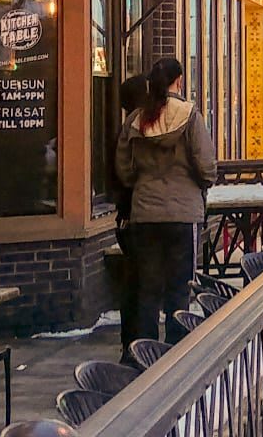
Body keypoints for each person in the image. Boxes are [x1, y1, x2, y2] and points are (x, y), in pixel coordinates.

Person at [114, 58, 216, 344]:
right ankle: (176, 348)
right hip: (183, 213)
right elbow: (206, 165)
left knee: (147, 288)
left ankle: (145, 351)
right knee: (179, 288)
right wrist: (200, 183)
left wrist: (142, 185)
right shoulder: (189, 115)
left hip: (145, 213)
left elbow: (124, 168)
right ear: (179, 81)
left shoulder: (136, 119)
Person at [109, 74, 151, 353]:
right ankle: (140, 346)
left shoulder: (121, 133)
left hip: (126, 217)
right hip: (138, 217)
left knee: (135, 283)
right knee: (143, 284)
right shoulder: (136, 132)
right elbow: (127, 176)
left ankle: (132, 343)